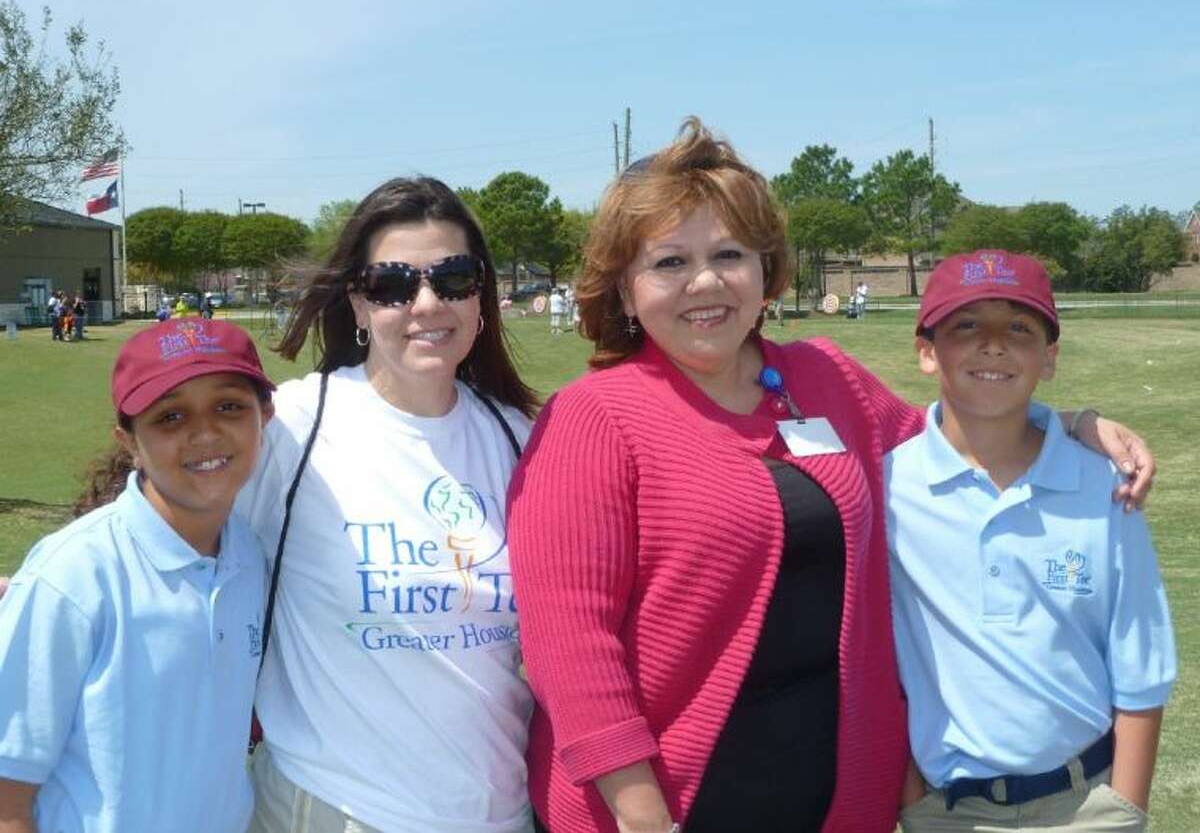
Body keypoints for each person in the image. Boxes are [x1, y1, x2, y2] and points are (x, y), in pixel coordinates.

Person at [506, 119, 1156, 833]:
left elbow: (958, 437)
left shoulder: (823, 378)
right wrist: (639, 816)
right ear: (625, 292)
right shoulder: (593, 418)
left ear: (764, 271)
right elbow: (571, 646)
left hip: (838, 793)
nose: (705, 282)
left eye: (729, 254)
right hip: (670, 802)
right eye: (668, 263)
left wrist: (1072, 423)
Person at [236, 176, 539, 832]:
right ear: (358, 303)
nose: (427, 303)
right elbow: (161, 542)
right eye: (393, 284)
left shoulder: (518, 435)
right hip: (336, 808)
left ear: (481, 294)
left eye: (454, 278)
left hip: (500, 813)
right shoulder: (294, 424)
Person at [888, 250, 1176, 832]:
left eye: (1019, 328)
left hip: (1085, 800)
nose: (993, 344)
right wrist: (911, 801)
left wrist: (1124, 809)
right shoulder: (889, 486)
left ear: (1049, 357)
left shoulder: (1103, 486)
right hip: (946, 809)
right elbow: (867, 657)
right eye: (965, 325)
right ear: (926, 352)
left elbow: (1139, 659)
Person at [0, 318, 275, 833]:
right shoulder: (73, 575)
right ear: (128, 440)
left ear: (266, 416)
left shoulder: (251, 557)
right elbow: (7, 795)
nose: (205, 432)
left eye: (229, 406)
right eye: (170, 416)